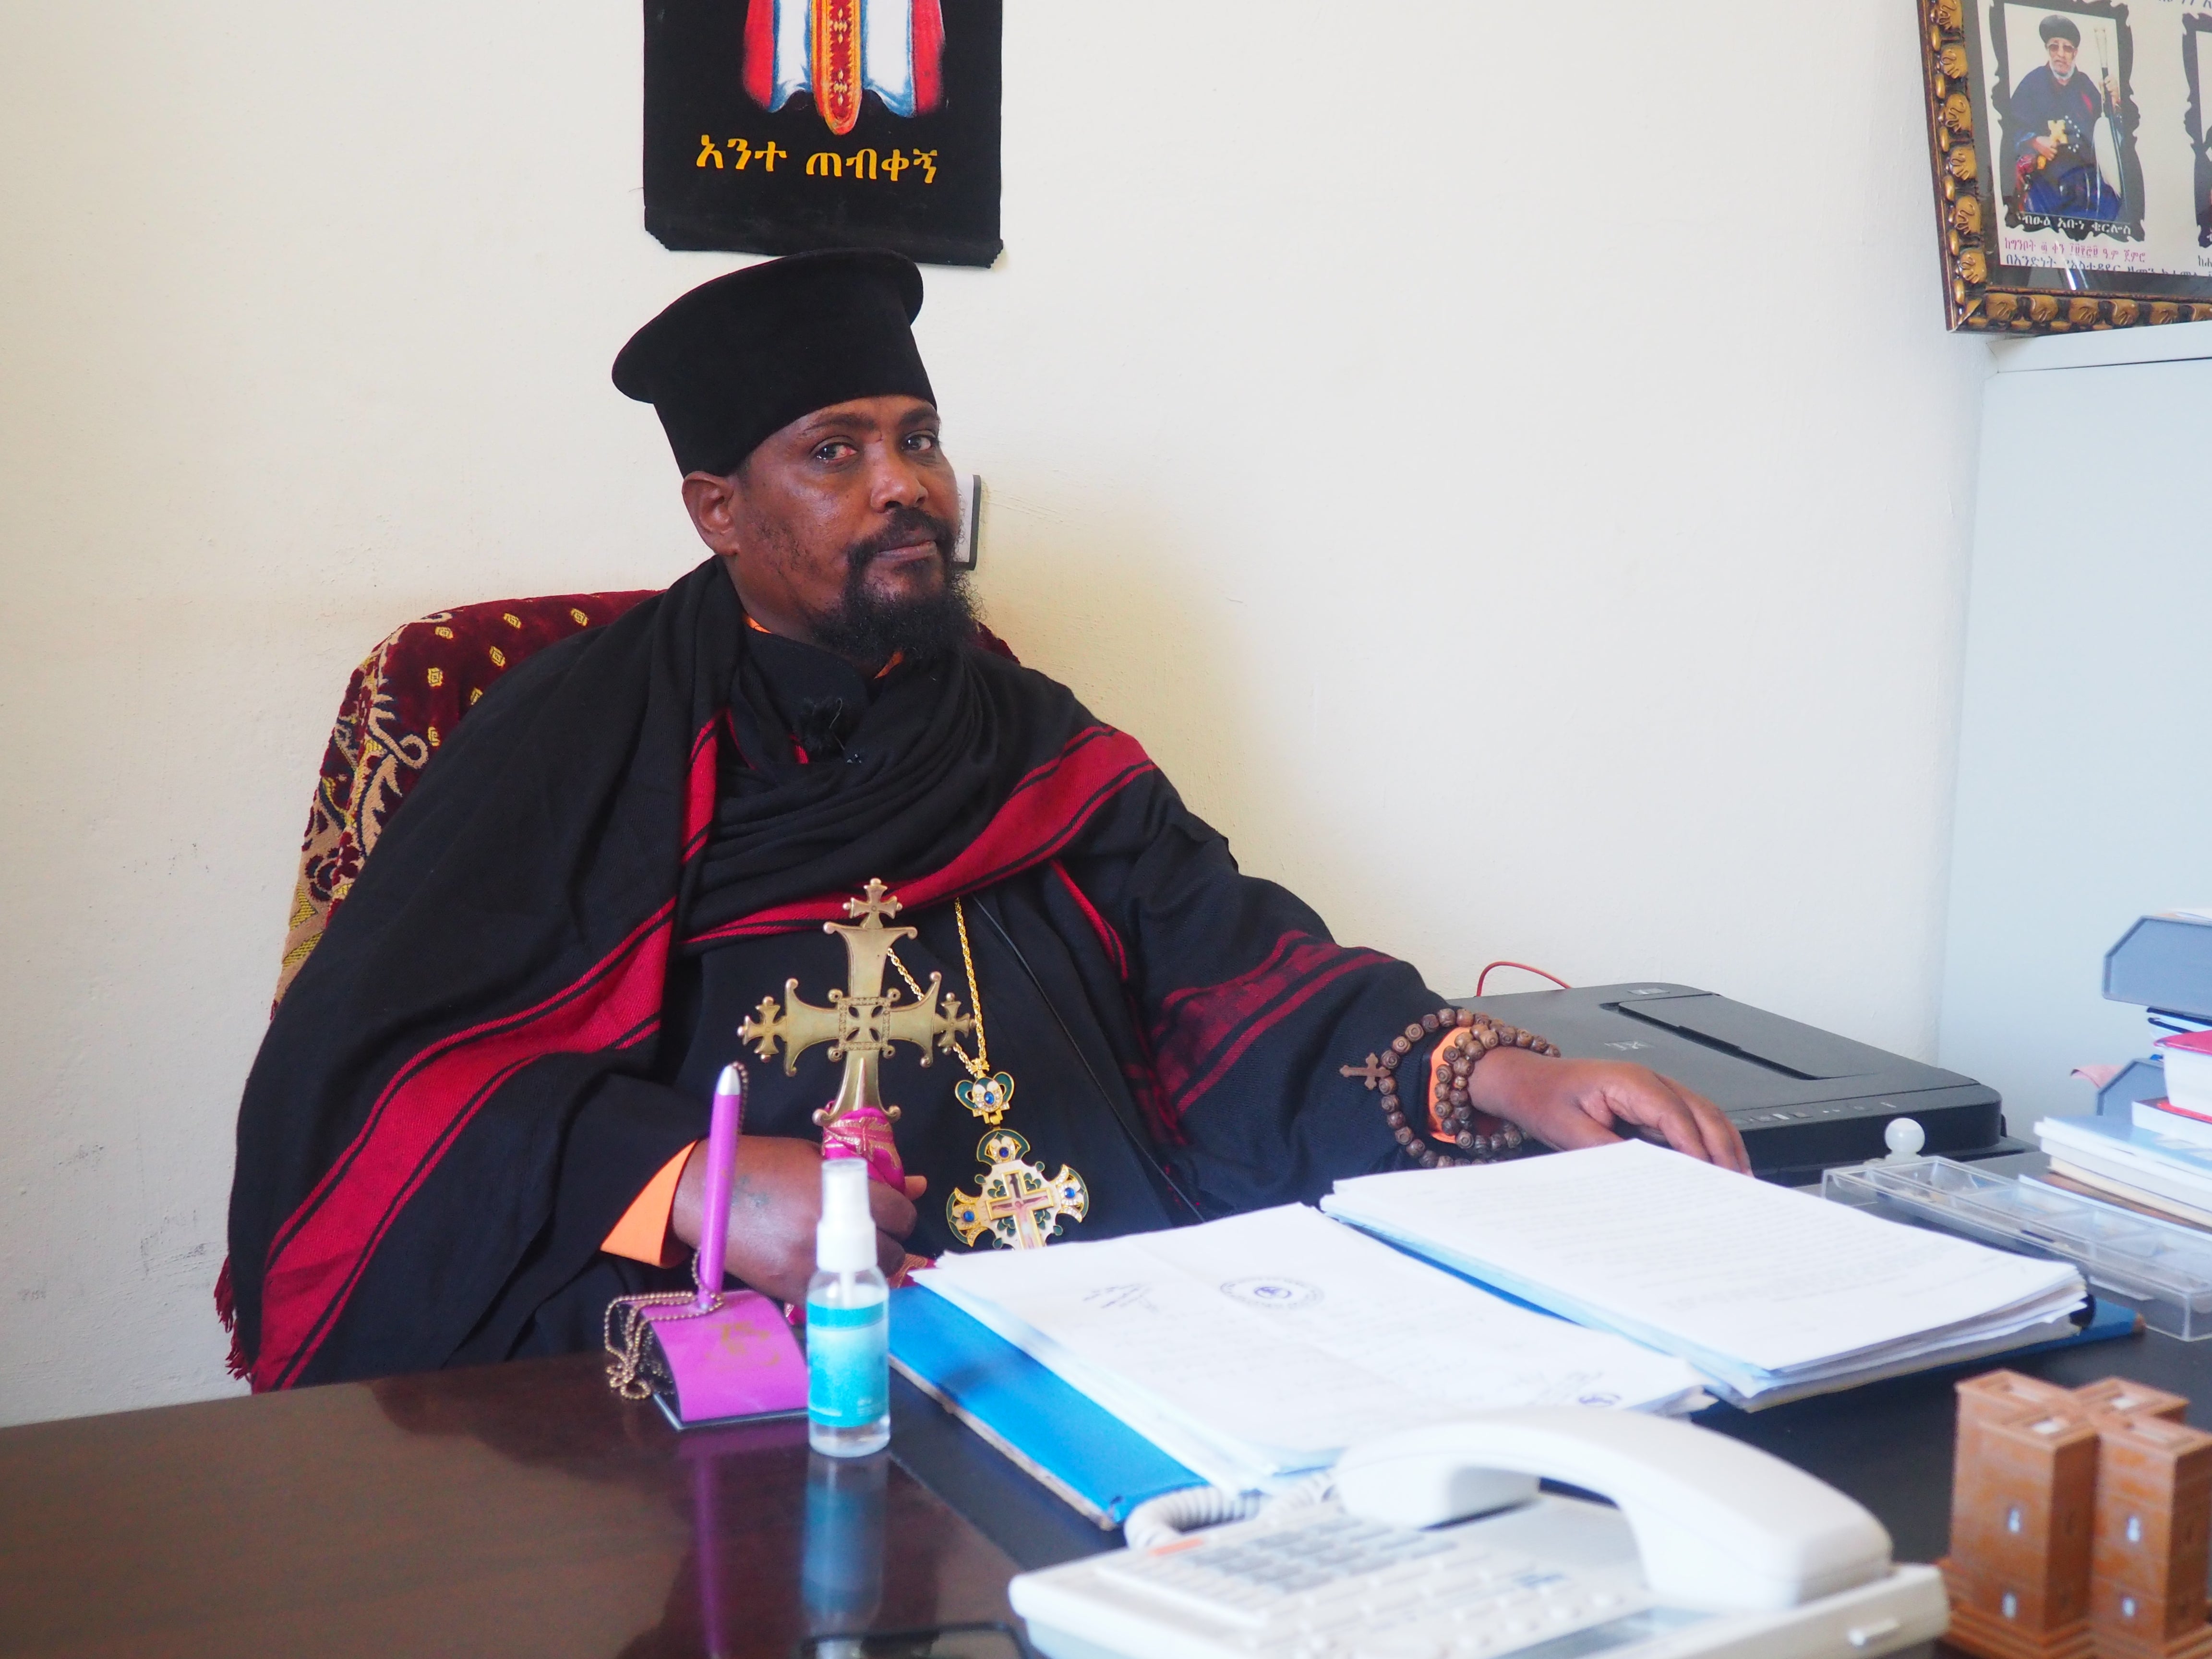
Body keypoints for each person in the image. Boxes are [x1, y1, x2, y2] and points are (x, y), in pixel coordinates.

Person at [224, 251, 1749, 1391]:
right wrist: (683, 1180)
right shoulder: (573, 731)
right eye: (836, 451)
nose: (905, 489)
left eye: (919, 439)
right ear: (717, 509)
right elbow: (374, 1093)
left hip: (1128, 1339)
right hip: (776, 1370)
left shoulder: (1018, 725)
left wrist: (1500, 1079)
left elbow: (1230, 970)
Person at [2008, 13, 2123, 221]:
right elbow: (2008, 128)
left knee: (2115, 209)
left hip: (2086, 185)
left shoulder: (2086, 87)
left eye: (2067, 48)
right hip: (2045, 183)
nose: (2060, 54)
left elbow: (2107, 134)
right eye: (2054, 47)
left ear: (2075, 53)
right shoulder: (2032, 84)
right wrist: (2034, 141)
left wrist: (2114, 104)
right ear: (2048, 50)